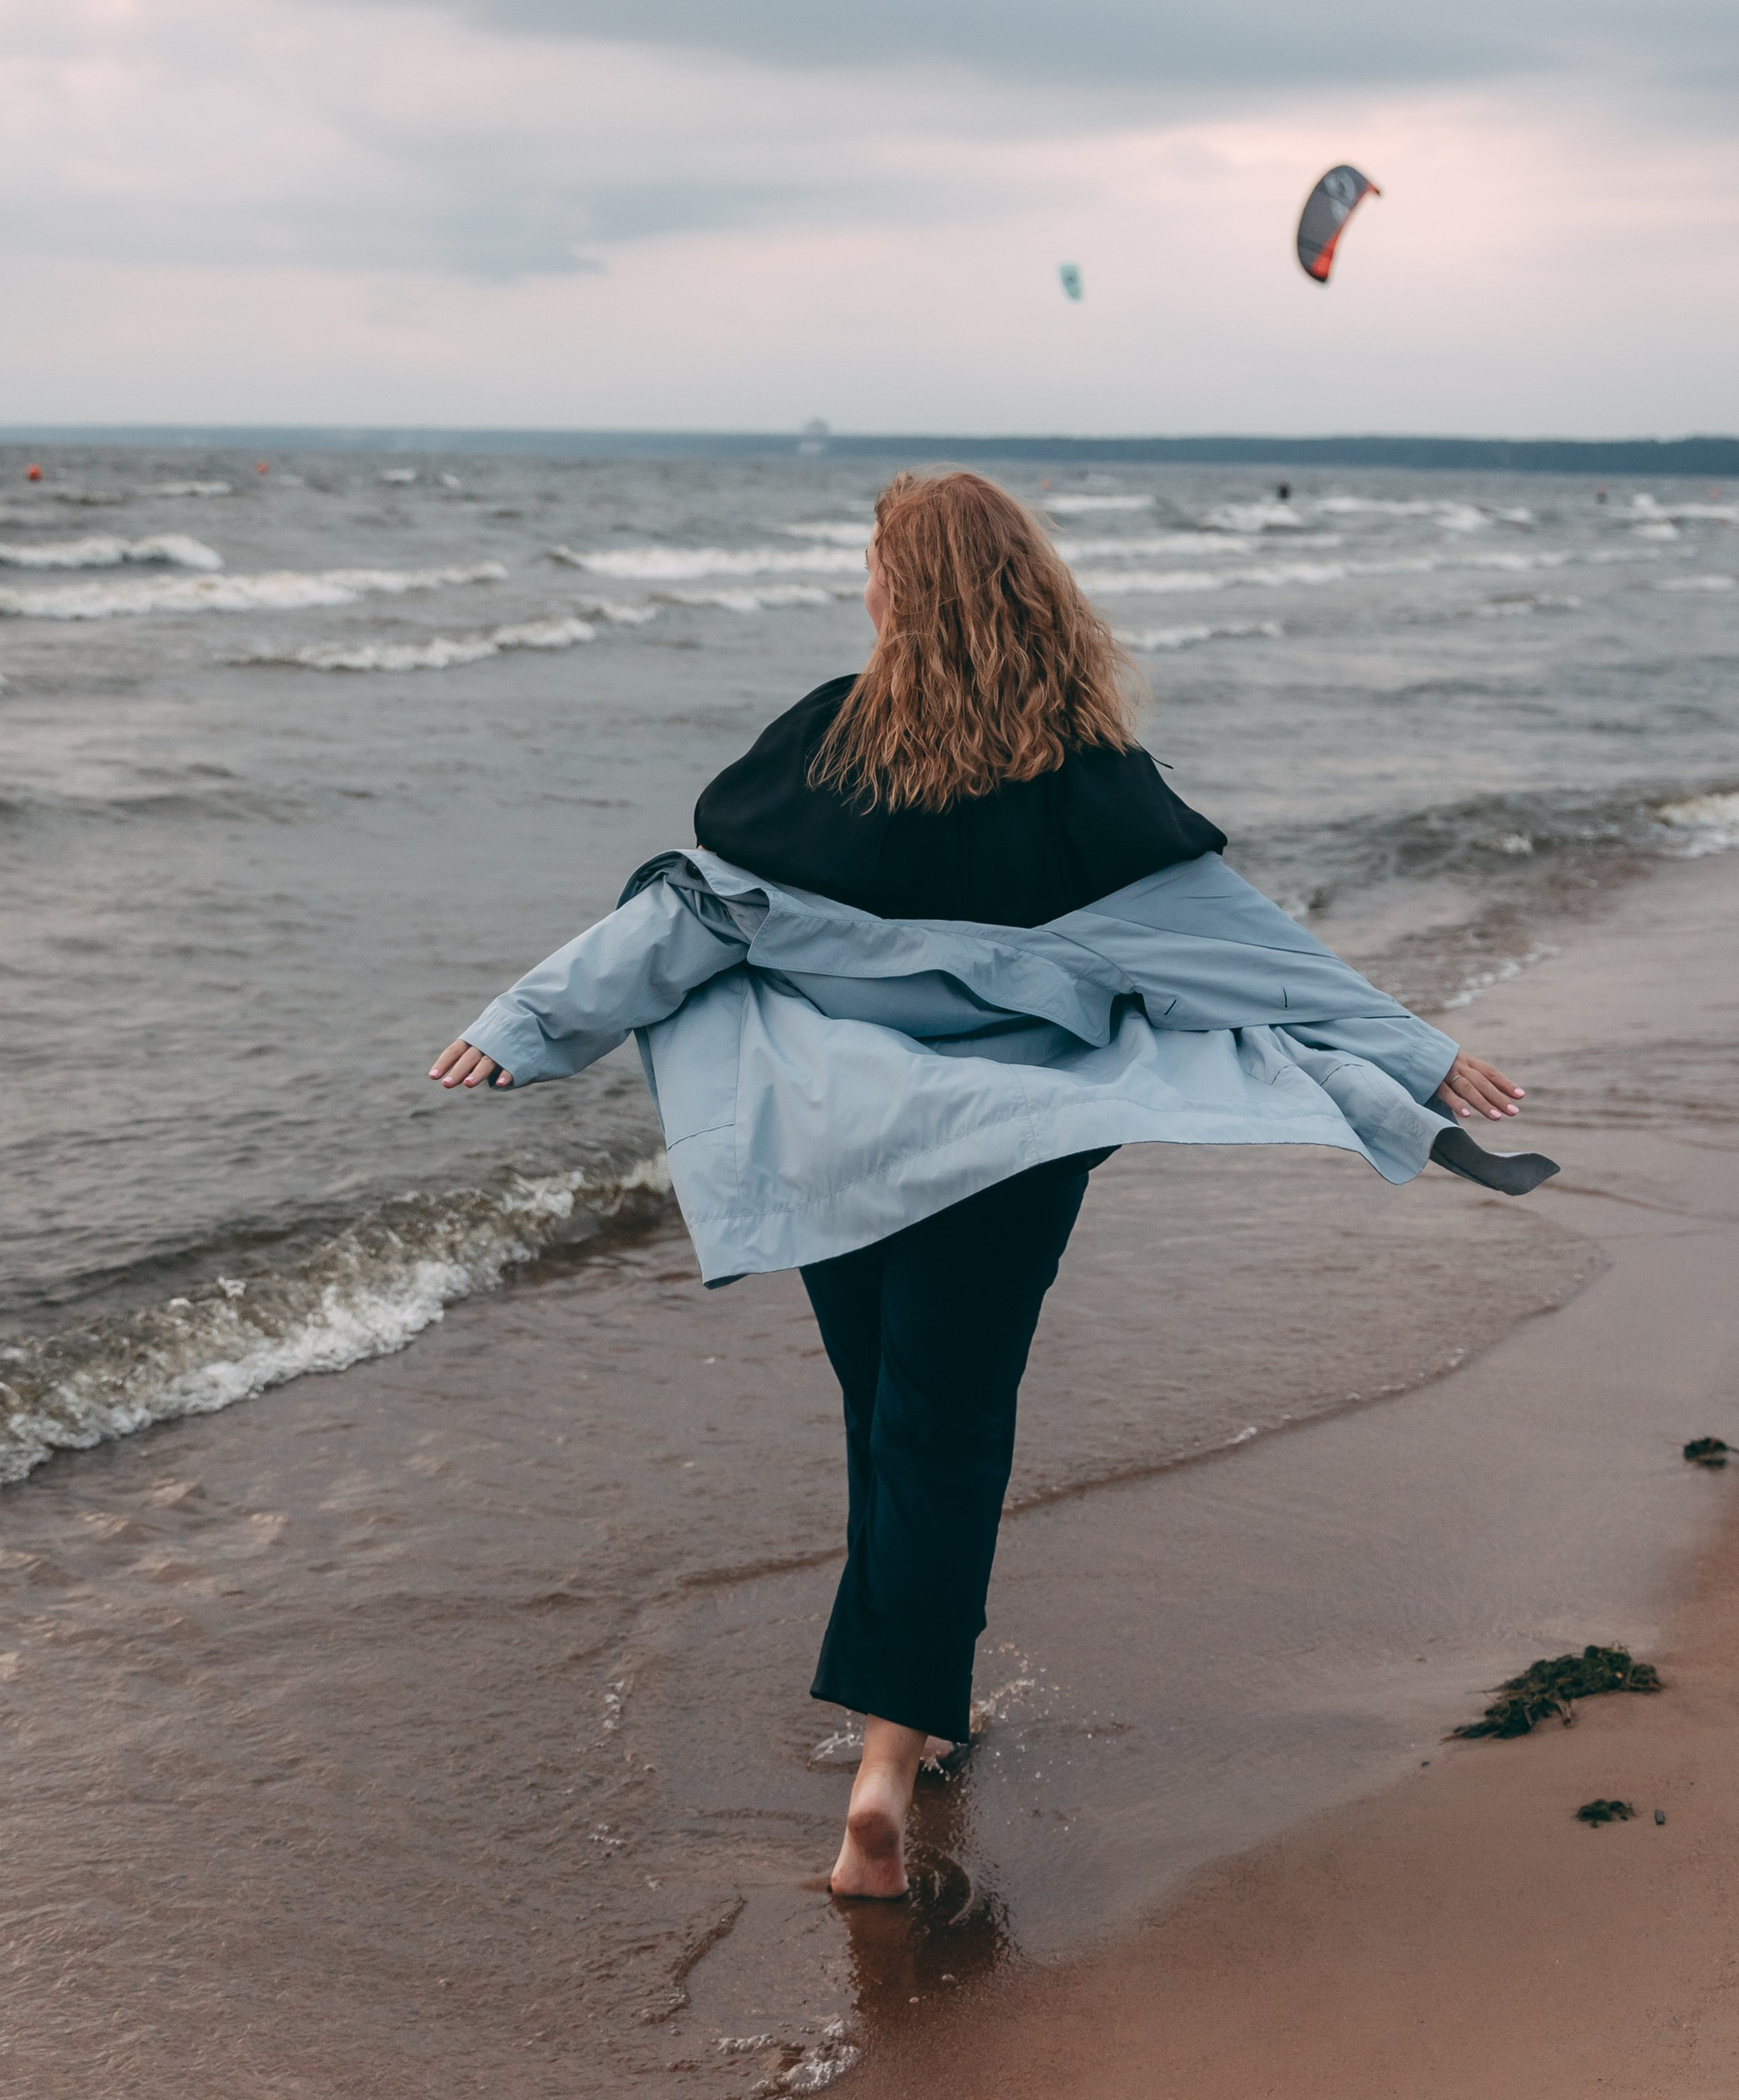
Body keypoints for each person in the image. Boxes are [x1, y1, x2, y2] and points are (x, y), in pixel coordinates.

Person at [429, 472, 1545, 1902]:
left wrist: (527, 1024)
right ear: (1030, 589)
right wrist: (1421, 1055)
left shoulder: (827, 747)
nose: (864, 589)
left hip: (843, 1135)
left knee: (884, 1410)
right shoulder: (1084, 774)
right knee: (947, 1426)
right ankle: (892, 1758)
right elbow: (1246, 947)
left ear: (901, 591)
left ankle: (903, 1728)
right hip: (1012, 1145)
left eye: (874, 566)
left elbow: (695, 911)